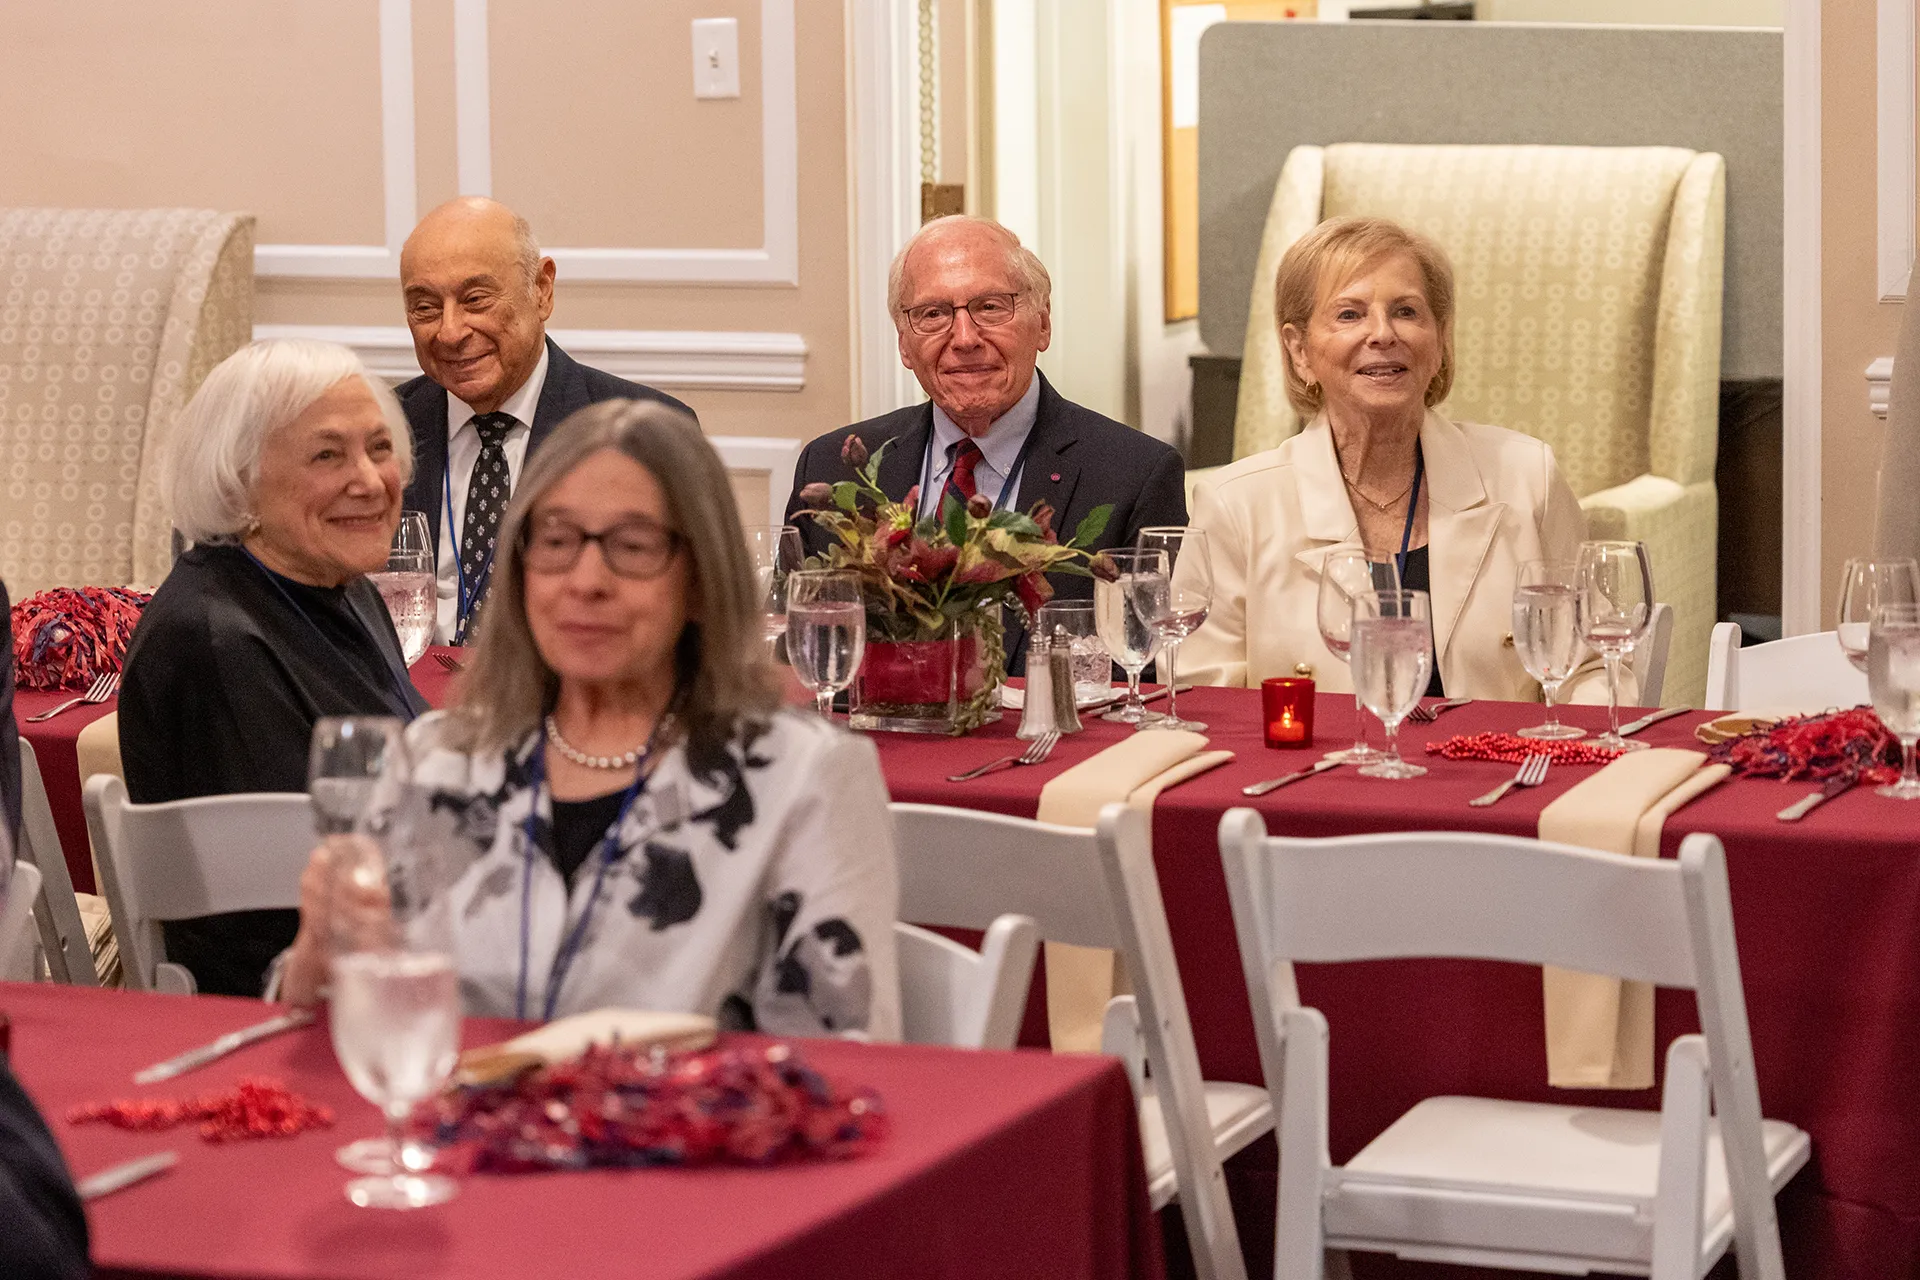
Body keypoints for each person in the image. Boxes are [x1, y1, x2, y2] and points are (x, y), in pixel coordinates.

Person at [280, 400, 900, 1039]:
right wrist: (319, 949)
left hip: (687, 1133)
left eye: (632, 547)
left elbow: (847, 1061)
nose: (586, 580)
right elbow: (325, 1033)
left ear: (700, 580)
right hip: (454, 1127)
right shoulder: (435, 760)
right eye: (555, 540)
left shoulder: (802, 777)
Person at [119, 339, 429, 996]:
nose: (371, 481)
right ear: (238, 481)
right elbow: (279, 900)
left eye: (379, 448)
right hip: (280, 1010)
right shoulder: (212, 639)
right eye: (327, 455)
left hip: (384, 950)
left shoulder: (345, 587)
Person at [1181, 215, 1588, 698]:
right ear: (1299, 351)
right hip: (1314, 770)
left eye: (1407, 312)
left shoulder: (1526, 478)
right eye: (1349, 314)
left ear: (1439, 341)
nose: (1382, 334)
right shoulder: (1237, 507)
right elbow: (1203, 698)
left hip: (1499, 768)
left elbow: (1593, 670)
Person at [784, 215, 1187, 672]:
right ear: (903, 343)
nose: (964, 338)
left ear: (1043, 323)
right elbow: (808, 660)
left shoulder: (1134, 475)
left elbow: (1138, 678)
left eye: (991, 307)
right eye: (932, 314)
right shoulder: (831, 467)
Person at [396, 198, 694, 645]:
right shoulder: (383, 432)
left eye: (476, 300)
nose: (451, 331)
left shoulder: (648, 433)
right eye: (425, 308)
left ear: (542, 290)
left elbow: (680, 615)